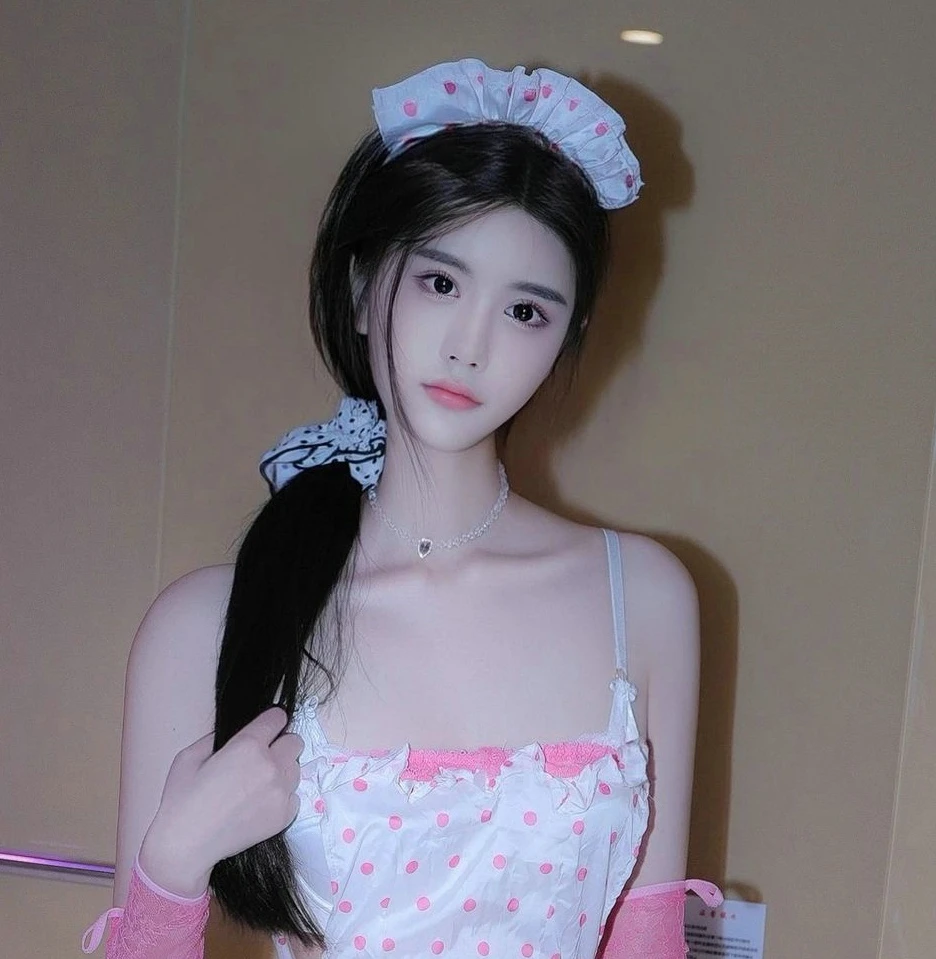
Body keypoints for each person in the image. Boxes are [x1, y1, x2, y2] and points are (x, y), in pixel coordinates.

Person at [82, 58, 721, 959]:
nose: (470, 346)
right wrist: (174, 863)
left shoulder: (642, 597)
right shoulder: (205, 625)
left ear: (566, 338)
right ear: (360, 287)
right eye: (441, 283)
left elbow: (645, 943)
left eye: (526, 311)